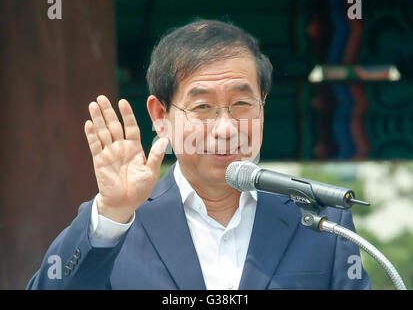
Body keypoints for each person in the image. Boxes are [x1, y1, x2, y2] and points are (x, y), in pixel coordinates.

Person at [27, 19, 371, 290]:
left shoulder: (322, 221)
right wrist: (113, 213)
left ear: (263, 106)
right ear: (160, 116)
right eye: (203, 107)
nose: (225, 129)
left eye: (241, 104)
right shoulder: (118, 222)